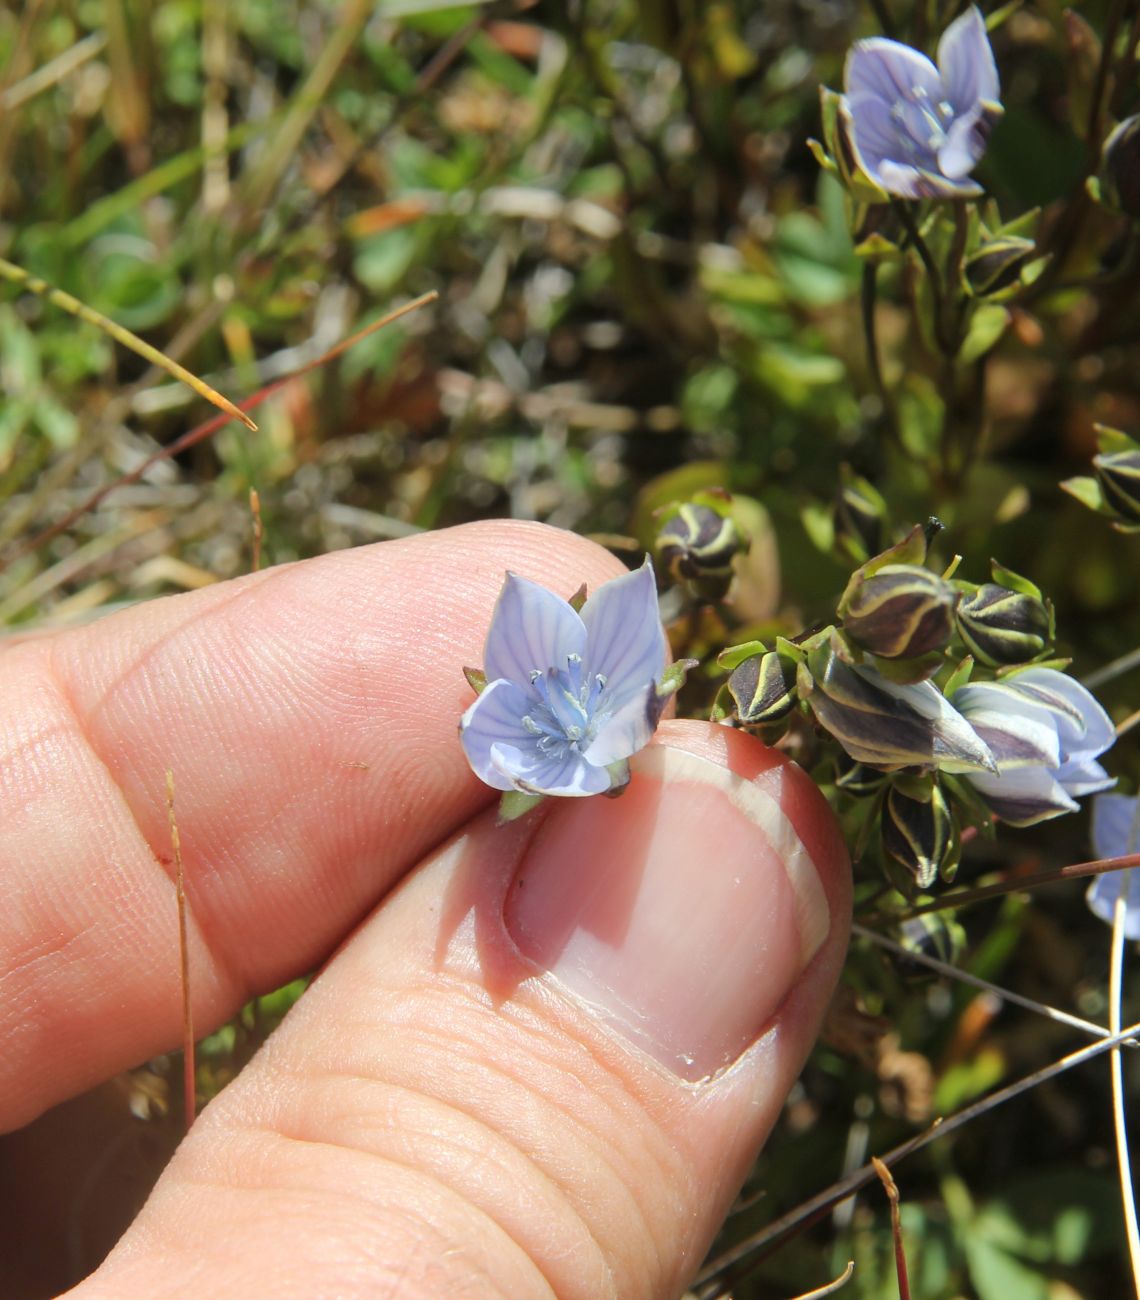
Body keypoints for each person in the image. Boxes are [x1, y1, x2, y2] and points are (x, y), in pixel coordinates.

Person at [1, 520, 850, 1298]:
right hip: (565, 767)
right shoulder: (507, 723)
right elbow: (497, 733)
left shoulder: (617, 648)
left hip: (592, 749)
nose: (563, 702)